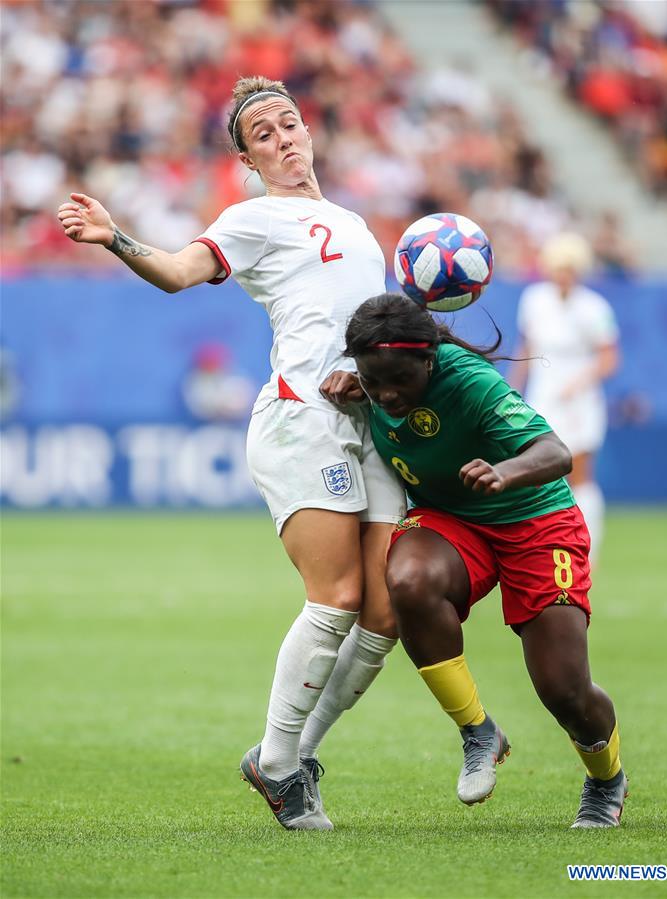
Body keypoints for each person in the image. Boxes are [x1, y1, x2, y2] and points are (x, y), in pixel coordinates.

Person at [57, 76, 406, 831]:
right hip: (301, 418)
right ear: (249, 160)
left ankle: (286, 755)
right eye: (263, 135)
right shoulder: (253, 218)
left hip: (367, 423)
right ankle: (279, 766)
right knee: (337, 595)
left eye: (288, 124)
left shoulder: (353, 223)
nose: (282, 139)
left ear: (307, 129)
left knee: (387, 610)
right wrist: (116, 237)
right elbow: (181, 273)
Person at [328, 292, 626, 828]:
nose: (388, 395)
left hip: (534, 520)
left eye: (400, 380)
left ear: (429, 359)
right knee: (410, 579)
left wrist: (504, 471)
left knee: (564, 688)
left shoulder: (468, 381)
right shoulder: (374, 377)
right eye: (374, 382)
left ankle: (606, 779)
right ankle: (478, 732)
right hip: (454, 520)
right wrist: (360, 389)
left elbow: (556, 453)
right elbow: (378, 384)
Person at [509, 232, 620, 565]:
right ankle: (545, 546)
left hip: (579, 402)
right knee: (538, 471)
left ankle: (589, 549)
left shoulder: (595, 308)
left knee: (580, 474)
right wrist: (513, 388)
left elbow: (609, 358)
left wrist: (580, 381)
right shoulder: (533, 299)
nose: (563, 275)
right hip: (542, 397)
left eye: (570, 269)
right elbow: (526, 348)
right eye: (558, 268)